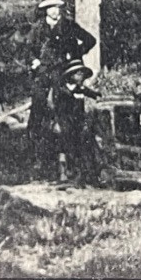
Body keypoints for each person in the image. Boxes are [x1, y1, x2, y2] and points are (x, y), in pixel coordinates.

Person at [24, 0, 96, 175]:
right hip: (45, 72)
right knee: (38, 105)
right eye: (50, 7)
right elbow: (28, 50)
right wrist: (35, 62)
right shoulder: (38, 28)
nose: (55, 11)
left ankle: (75, 158)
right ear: (45, 9)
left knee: (72, 112)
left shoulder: (69, 25)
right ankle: (36, 157)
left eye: (57, 6)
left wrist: (77, 53)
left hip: (65, 72)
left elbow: (90, 40)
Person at [46, 57, 102, 185]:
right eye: (77, 73)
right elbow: (53, 106)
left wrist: (98, 95)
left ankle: (80, 173)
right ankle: (62, 173)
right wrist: (56, 122)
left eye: (82, 73)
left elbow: (94, 94)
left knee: (79, 145)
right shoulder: (61, 90)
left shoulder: (80, 89)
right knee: (63, 147)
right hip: (64, 121)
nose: (80, 76)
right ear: (70, 75)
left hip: (78, 122)